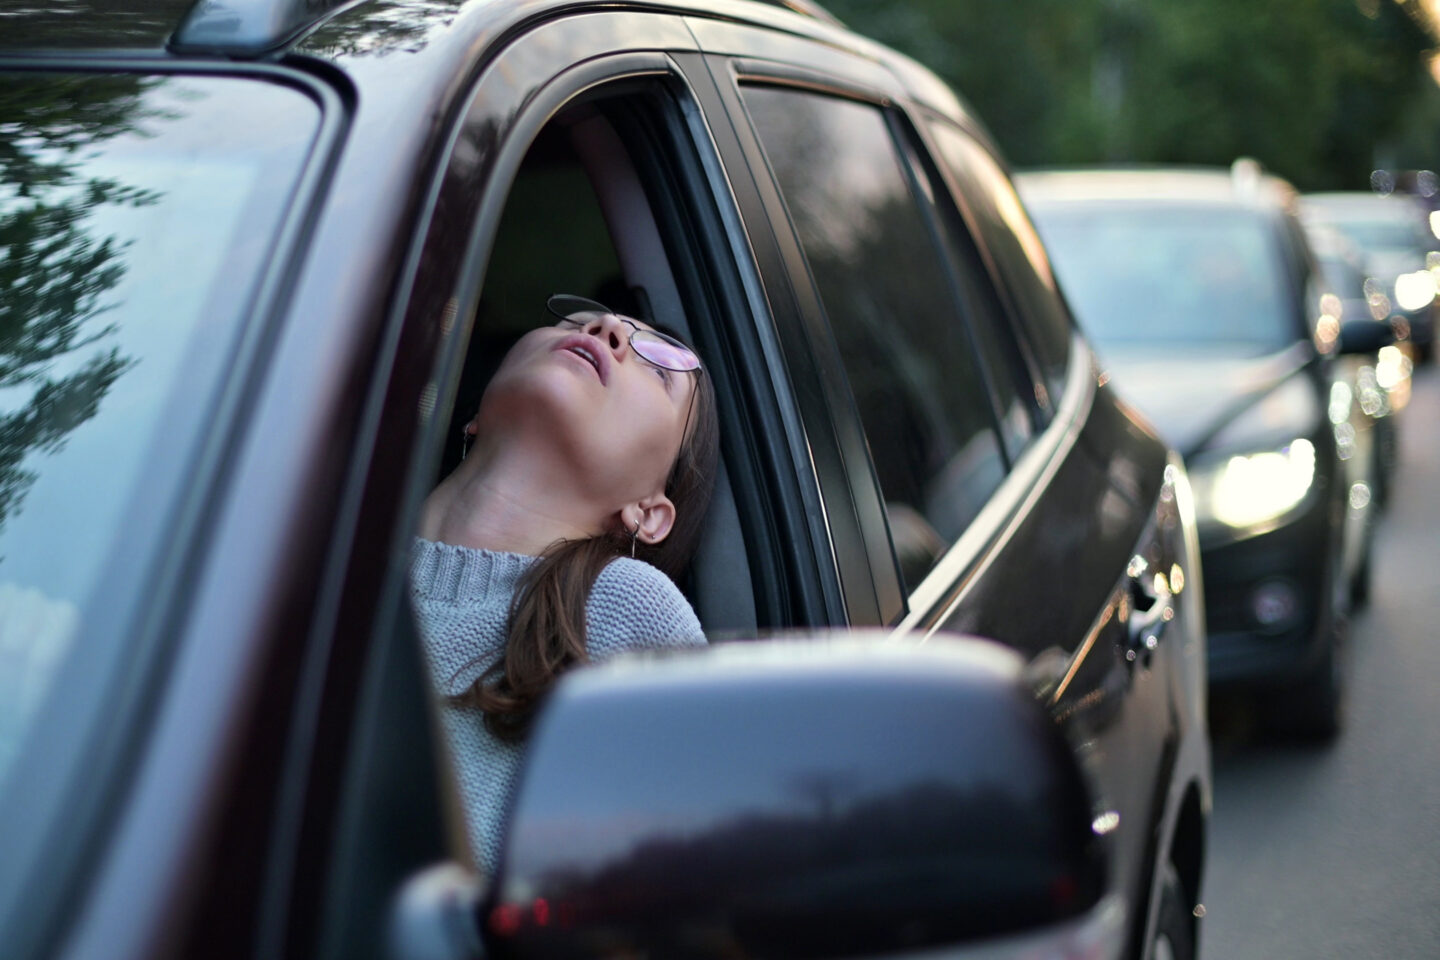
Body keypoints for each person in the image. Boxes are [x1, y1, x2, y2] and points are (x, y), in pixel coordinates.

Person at [408, 294, 718, 872]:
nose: (604, 328)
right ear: (475, 411)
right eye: (575, 321)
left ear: (648, 513)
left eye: (657, 368)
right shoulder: (304, 544)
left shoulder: (627, 614)